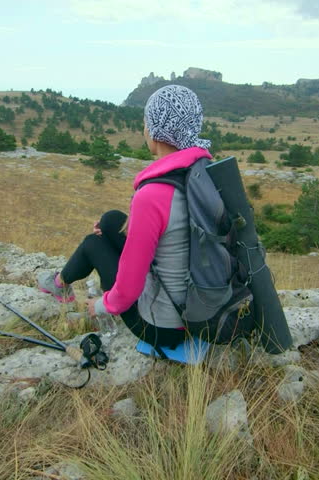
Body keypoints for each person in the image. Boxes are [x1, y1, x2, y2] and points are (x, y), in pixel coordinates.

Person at [37, 85, 212, 349]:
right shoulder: (204, 172)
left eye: (146, 123)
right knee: (110, 221)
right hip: (205, 307)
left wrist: (100, 305)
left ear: (156, 129)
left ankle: (59, 285)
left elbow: (128, 290)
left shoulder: (153, 194)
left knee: (93, 243)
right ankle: (61, 282)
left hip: (162, 325)